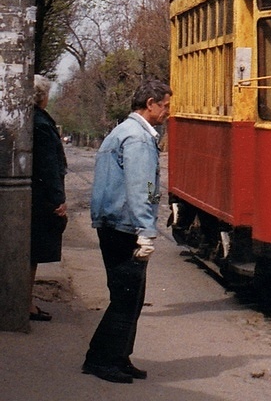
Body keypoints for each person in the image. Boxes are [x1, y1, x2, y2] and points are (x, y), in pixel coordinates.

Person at [82, 79, 172, 384]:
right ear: (150, 103)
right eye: (165, 106)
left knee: (128, 297)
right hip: (125, 227)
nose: (167, 113)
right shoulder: (138, 138)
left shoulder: (122, 131)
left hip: (112, 223)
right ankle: (101, 360)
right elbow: (142, 187)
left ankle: (118, 357)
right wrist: (146, 229)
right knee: (126, 298)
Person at [30, 74, 67, 322]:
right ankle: (24, 303)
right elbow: (49, 166)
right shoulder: (140, 139)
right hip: (133, 222)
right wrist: (58, 199)